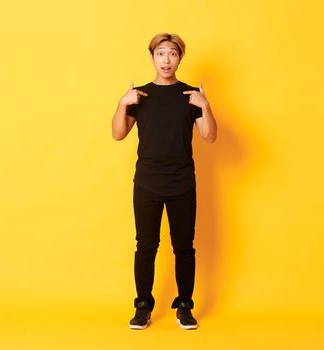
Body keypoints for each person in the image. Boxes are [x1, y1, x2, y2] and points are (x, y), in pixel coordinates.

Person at [111, 33, 217, 330]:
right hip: (147, 182)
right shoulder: (139, 96)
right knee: (145, 245)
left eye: (172, 53)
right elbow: (118, 134)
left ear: (180, 58)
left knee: (184, 246)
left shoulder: (190, 96)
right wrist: (122, 104)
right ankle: (143, 305)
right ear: (152, 58)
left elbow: (210, 136)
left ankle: (184, 305)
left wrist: (205, 106)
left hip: (182, 181)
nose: (166, 59)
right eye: (160, 54)